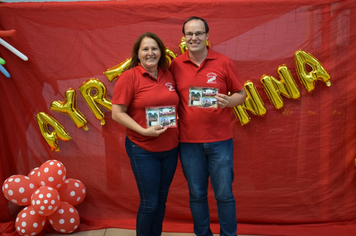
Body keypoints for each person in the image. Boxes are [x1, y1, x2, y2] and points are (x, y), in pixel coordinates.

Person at [170, 16, 247, 236]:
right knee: (196, 194)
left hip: (221, 141)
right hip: (188, 143)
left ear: (207, 36)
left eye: (198, 33)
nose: (194, 38)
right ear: (184, 38)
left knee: (224, 194)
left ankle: (228, 234)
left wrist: (229, 101)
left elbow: (241, 94)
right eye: (189, 34)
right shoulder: (175, 65)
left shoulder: (224, 62)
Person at [112, 32, 179, 236]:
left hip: (170, 149)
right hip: (142, 148)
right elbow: (117, 113)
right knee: (149, 203)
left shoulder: (169, 75)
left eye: (154, 48)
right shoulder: (129, 77)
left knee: (160, 201)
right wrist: (143, 131)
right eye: (145, 49)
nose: (150, 53)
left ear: (161, 52)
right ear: (138, 54)